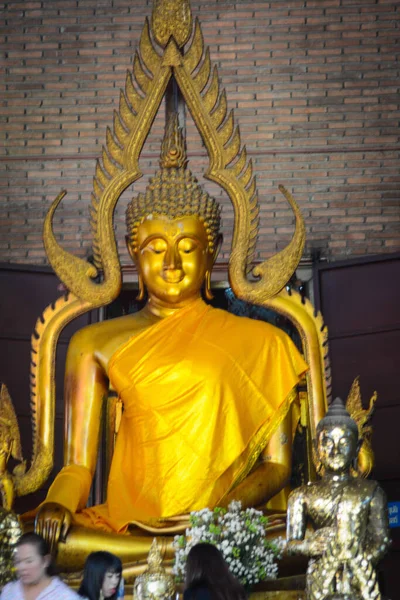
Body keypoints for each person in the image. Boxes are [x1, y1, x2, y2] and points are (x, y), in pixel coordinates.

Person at [34, 116, 308, 569]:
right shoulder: (92, 343)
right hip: (132, 527)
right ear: (131, 251)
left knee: (289, 540)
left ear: (213, 253)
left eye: (189, 246)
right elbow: (78, 467)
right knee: (50, 545)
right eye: (156, 248)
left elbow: (277, 469)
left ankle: (193, 551)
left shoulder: (265, 342)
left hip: (222, 523)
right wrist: (58, 504)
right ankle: (183, 554)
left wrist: (219, 519)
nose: (173, 263)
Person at [286, 398, 390, 599]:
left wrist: (356, 562)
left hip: (358, 578)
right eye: (327, 443)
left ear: (357, 447)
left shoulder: (371, 491)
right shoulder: (301, 495)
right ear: (317, 449)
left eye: (344, 443)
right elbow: (291, 544)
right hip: (320, 578)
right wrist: (307, 546)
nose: (335, 451)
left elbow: (381, 540)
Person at [0, 532, 79, 600]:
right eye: (18, 561)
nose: (22, 567)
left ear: (45, 561)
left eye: (29, 561)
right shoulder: (9, 591)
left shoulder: (64, 596)